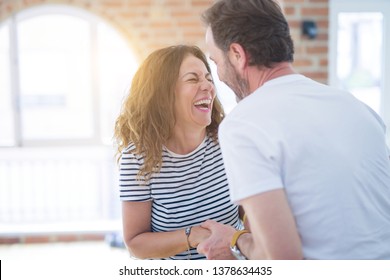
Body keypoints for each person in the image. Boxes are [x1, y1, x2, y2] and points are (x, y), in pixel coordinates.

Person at [197, 0, 390, 260]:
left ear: (237, 55)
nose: (218, 75)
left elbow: (281, 261)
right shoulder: (359, 109)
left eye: (216, 61)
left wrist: (234, 240)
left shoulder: (243, 125)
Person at [114, 45, 241, 260]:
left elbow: (252, 216)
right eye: (193, 79)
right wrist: (194, 236)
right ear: (163, 94)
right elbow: (136, 244)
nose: (208, 87)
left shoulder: (228, 141)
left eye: (209, 78)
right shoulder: (137, 158)